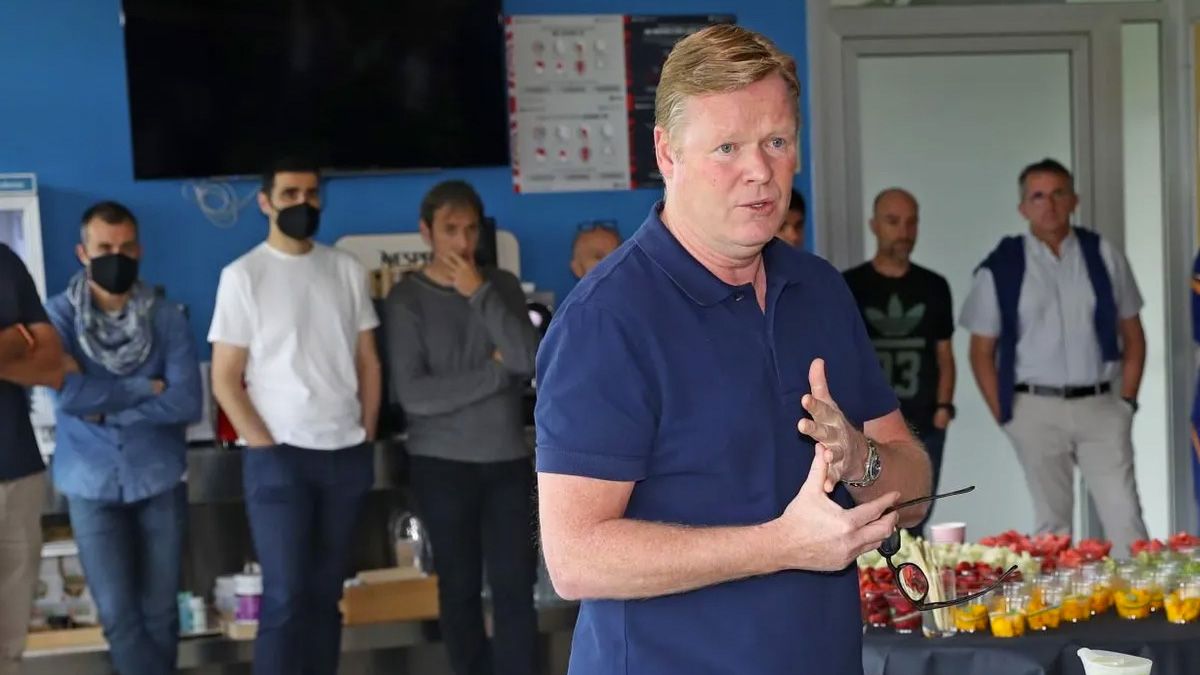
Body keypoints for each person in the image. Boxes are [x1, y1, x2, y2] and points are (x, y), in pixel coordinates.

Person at [534, 25, 932, 674]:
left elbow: (912, 496)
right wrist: (779, 544)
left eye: (776, 141)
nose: (760, 171)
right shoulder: (606, 320)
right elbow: (575, 558)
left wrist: (858, 456)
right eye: (727, 147)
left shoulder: (820, 290)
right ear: (667, 153)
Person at [209, 158, 382, 675]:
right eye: (289, 195)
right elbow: (225, 378)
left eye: (310, 194)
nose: (301, 204)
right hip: (279, 459)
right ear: (265, 202)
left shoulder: (346, 269)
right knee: (284, 598)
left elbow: (368, 360)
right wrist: (266, 446)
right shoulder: (243, 275)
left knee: (326, 598)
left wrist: (367, 434)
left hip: (345, 454)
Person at [386, 180, 540, 675]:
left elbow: (529, 357)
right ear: (426, 232)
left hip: (507, 463)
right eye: (450, 230)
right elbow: (416, 395)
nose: (462, 242)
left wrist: (479, 294)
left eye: (470, 229)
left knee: (517, 589)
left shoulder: (503, 286)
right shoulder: (407, 298)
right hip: (442, 466)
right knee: (459, 589)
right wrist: (496, 373)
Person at [961, 158, 1148, 554]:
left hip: (1101, 404)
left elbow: (1133, 333)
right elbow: (980, 351)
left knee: (1125, 517)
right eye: (1038, 196)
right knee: (1053, 527)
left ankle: (1140, 611)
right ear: (1023, 208)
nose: (1050, 204)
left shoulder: (1103, 255)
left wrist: (1126, 402)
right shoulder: (1004, 265)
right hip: (1035, 409)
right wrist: (1007, 416)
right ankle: (1062, 614)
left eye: (1059, 193)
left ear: (1074, 199)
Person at [45, 201, 201, 675]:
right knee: (117, 616)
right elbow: (67, 399)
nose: (117, 256)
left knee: (160, 615)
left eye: (126, 247)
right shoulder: (58, 317)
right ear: (82, 252)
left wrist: (105, 409)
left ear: (140, 250)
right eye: (105, 248)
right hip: (89, 484)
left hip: (158, 477)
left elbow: (186, 404)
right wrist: (139, 389)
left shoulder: (167, 316)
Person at [843, 188, 954, 537]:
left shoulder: (934, 286)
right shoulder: (849, 286)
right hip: (866, 427)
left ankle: (912, 589)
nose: (904, 231)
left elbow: (944, 355)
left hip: (924, 422)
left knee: (914, 518)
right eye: (893, 221)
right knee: (865, 522)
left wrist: (943, 408)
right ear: (874, 225)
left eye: (911, 222)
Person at [0, 244, 64, 675]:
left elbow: (49, 364)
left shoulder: (4, 262)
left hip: (15, 470)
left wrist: (24, 343)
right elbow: (25, 348)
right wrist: (10, 343)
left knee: (8, 646)